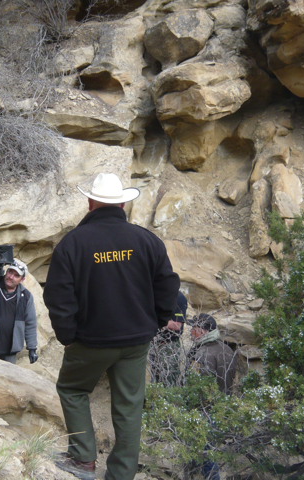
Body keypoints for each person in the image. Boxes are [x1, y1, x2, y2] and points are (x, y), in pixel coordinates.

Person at [43, 173, 180, 480]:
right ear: (121, 202)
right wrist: (158, 320)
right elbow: (169, 285)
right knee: (130, 407)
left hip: (90, 340)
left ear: (91, 202)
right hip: (136, 342)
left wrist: (67, 335)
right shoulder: (146, 240)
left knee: (72, 388)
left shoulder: (73, 243)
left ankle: (83, 459)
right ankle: (121, 474)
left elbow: (58, 296)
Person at [186, 313, 240, 480]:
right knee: (212, 449)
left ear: (202, 331)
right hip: (224, 405)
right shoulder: (227, 348)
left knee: (206, 452)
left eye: (193, 329)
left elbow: (193, 386)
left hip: (205, 409)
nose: (190, 332)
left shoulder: (202, 354)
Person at [149, 291, 187, 386]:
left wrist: (154, 320)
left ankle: (171, 400)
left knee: (170, 379)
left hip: (169, 345)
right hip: (155, 343)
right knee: (156, 377)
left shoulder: (179, 297)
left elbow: (177, 325)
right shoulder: (157, 294)